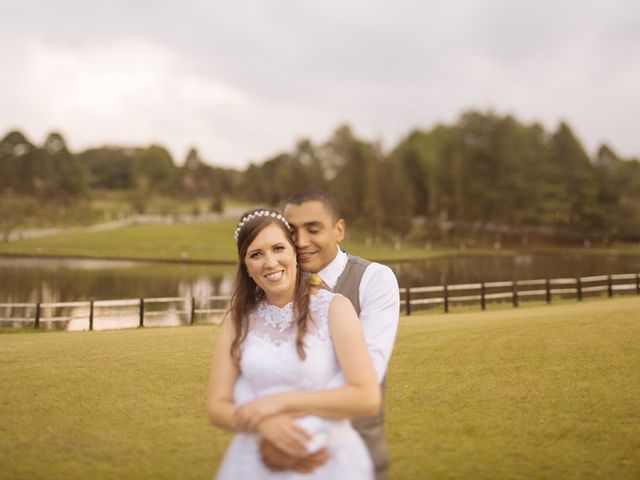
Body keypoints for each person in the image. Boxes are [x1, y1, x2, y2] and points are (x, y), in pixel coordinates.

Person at [235, 189, 400, 480]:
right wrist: (268, 431)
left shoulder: (374, 279)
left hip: (353, 455)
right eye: (292, 231)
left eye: (313, 229)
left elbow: (367, 374)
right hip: (276, 456)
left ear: (339, 229)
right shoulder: (275, 282)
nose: (300, 242)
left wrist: (295, 434)